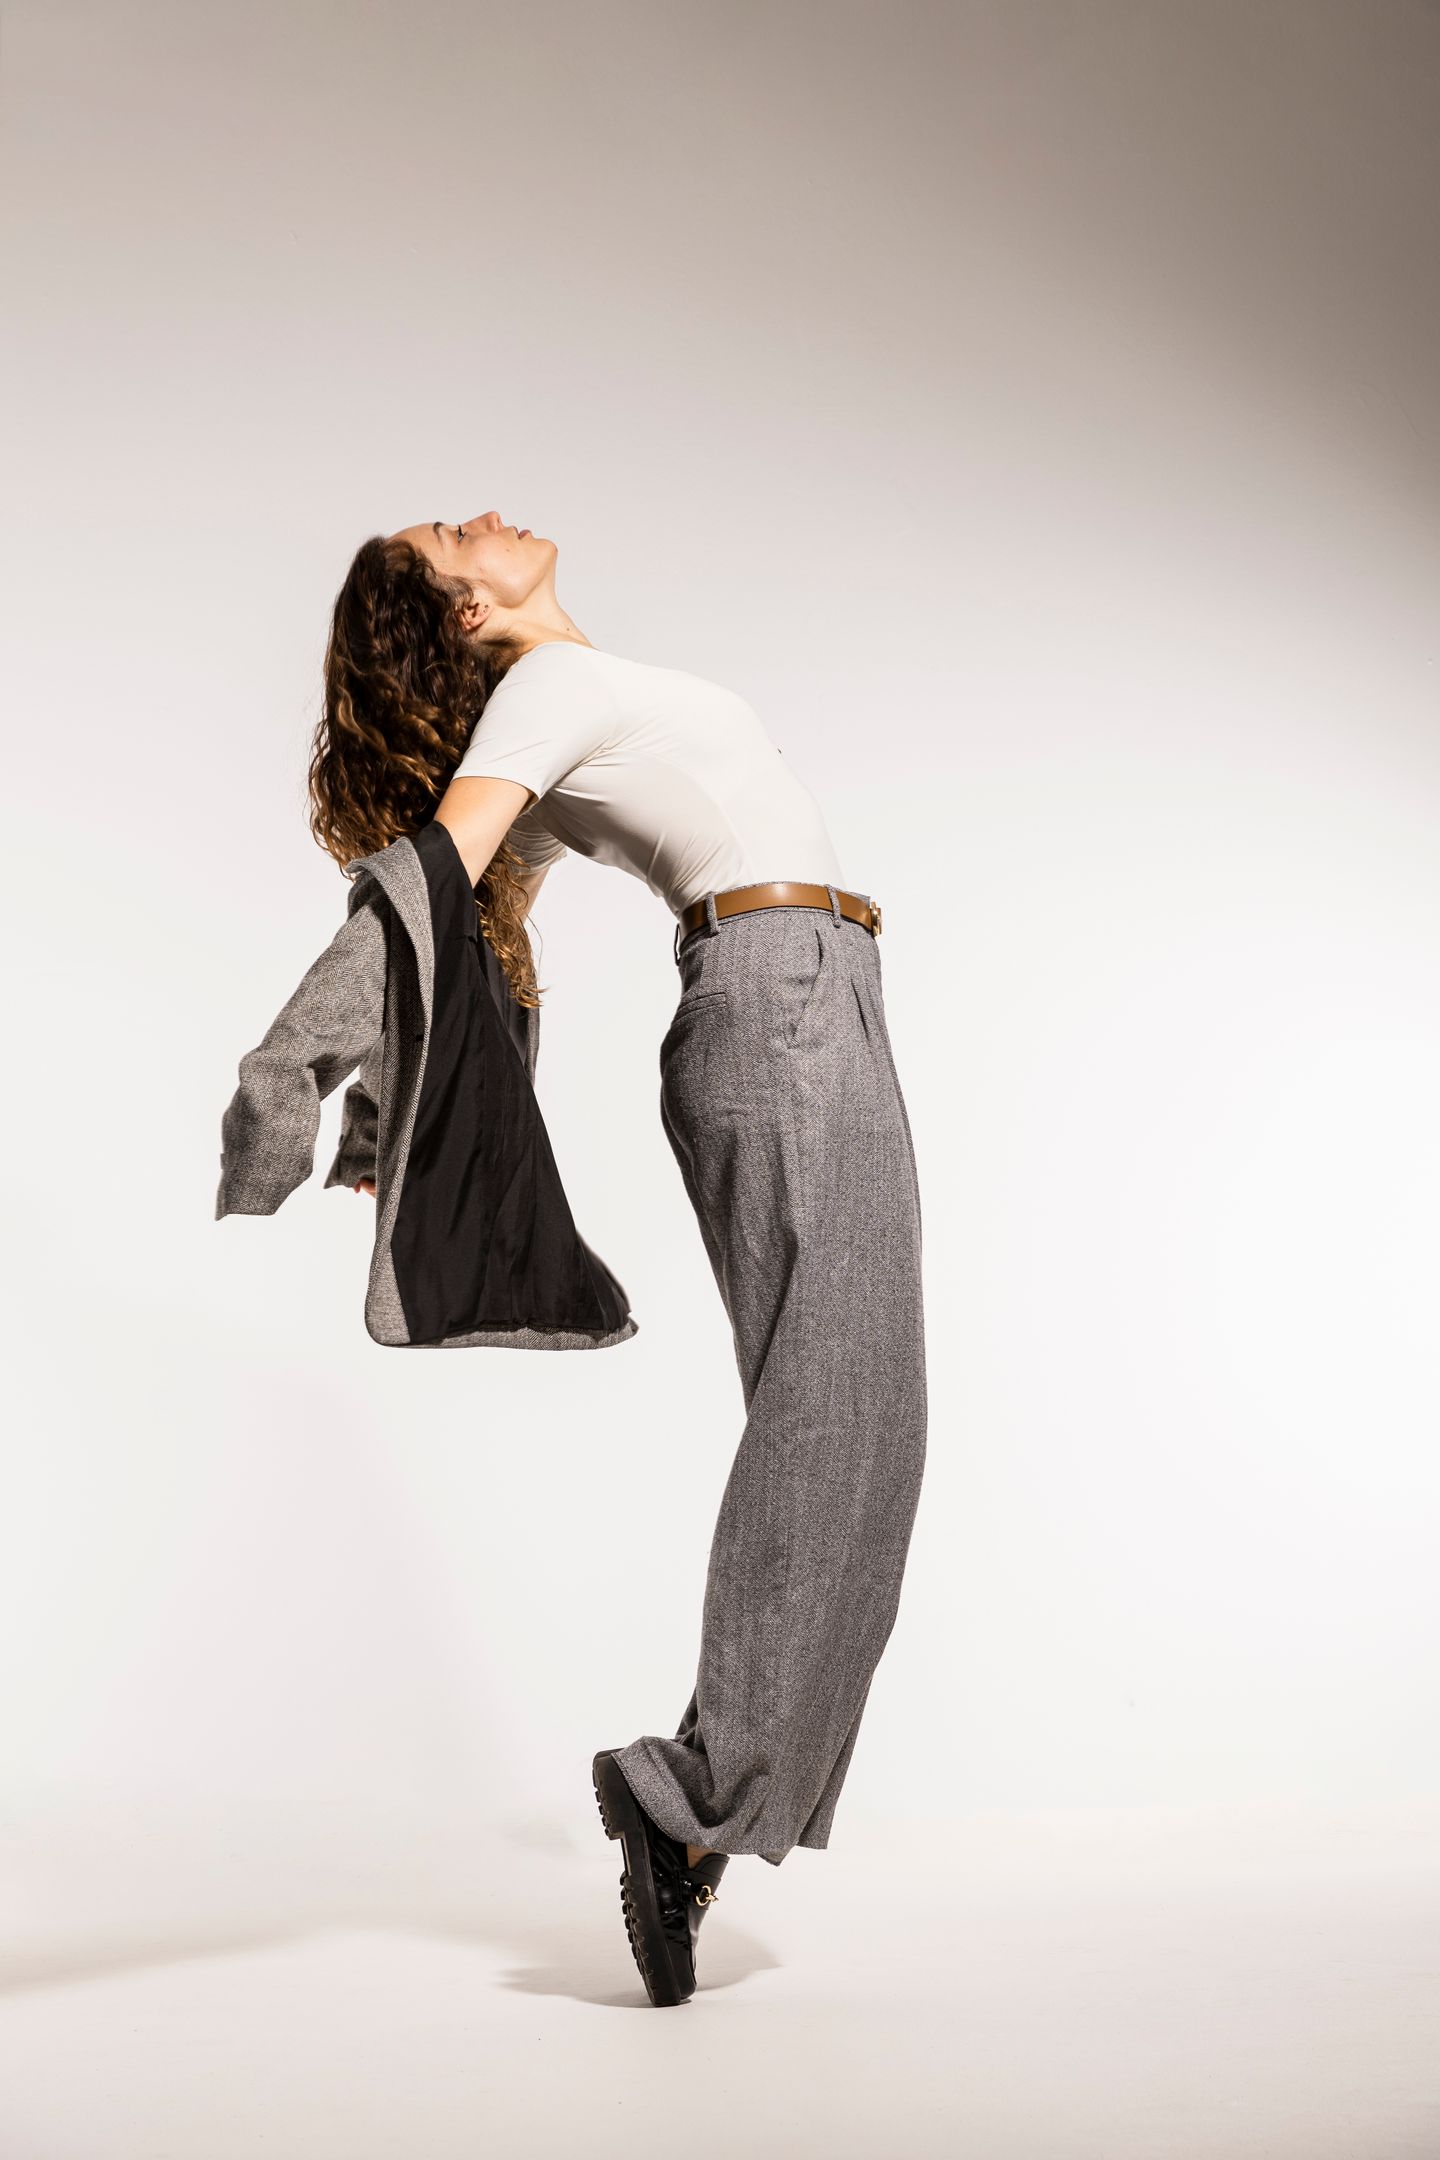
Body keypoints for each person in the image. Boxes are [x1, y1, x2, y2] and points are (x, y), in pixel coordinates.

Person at [309, 510, 928, 2007]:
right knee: (842, 1415)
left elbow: (486, 929)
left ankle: (700, 1804)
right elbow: (438, 883)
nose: (485, 516)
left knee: (857, 1418)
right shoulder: (545, 688)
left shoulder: (568, 702)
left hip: (810, 993)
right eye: (452, 534)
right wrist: (331, 1059)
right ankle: (690, 1800)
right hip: (780, 995)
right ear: (465, 611)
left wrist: (398, 1103)